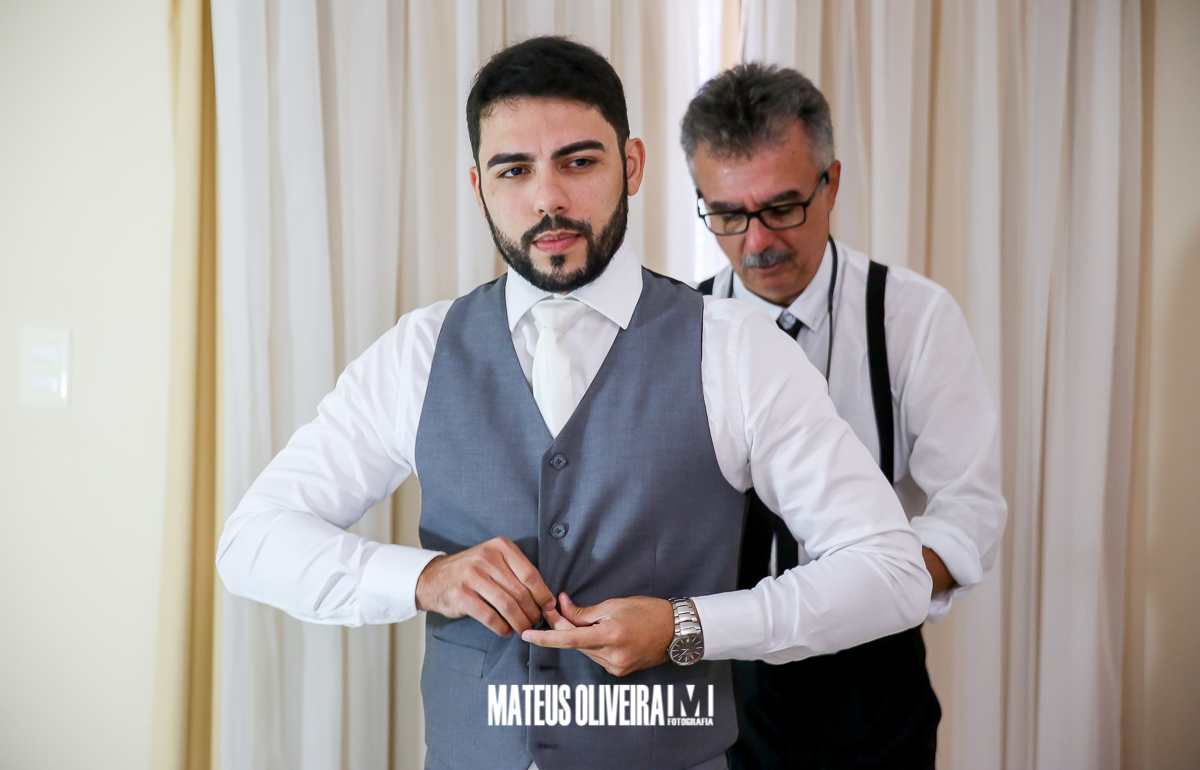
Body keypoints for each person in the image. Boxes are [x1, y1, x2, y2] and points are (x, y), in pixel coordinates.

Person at [217, 37, 931, 770]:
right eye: (514, 170)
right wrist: (427, 579)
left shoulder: (737, 349)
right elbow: (251, 543)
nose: (548, 198)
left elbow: (891, 571)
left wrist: (689, 626)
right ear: (479, 187)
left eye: (579, 162)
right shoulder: (417, 352)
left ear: (632, 165)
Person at [681, 63, 1008, 769]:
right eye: (728, 214)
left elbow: (970, 510)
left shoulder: (913, 316)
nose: (757, 242)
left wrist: (865, 591)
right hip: (715, 670)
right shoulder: (676, 330)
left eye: (782, 207)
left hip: (872, 680)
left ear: (830, 184)